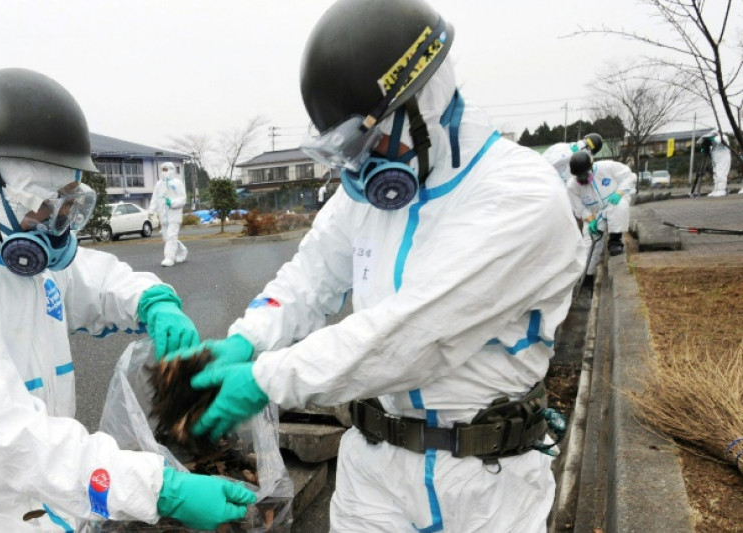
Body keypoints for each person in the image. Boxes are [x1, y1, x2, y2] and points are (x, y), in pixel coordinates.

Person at [167, 1, 585, 531]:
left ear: (422, 107)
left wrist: (266, 379)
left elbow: (413, 335)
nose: (360, 167)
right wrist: (249, 339)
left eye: (365, 142)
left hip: (486, 486)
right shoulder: (369, 195)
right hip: (374, 472)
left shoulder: (519, 196)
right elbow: (311, 275)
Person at [0, 68, 255, 532]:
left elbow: (91, 277)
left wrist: (151, 300)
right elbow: (14, 435)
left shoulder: (20, 251)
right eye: (40, 203)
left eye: (65, 202)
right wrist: (159, 488)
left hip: (41, 500)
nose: (52, 221)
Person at [566, 150, 636, 286]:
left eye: (585, 174)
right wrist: (590, 219)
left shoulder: (607, 167)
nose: (583, 179)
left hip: (613, 203)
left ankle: (615, 241)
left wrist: (620, 192)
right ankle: (586, 279)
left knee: (619, 206)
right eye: (579, 177)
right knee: (589, 245)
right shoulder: (572, 186)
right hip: (594, 215)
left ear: (591, 168)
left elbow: (630, 177)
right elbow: (579, 207)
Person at [149, 162, 188, 266]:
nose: (164, 172)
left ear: (171, 170)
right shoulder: (159, 184)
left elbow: (183, 199)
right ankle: (182, 250)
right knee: (167, 238)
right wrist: (151, 210)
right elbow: (155, 198)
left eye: (166, 169)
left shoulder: (177, 183)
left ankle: (169, 258)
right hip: (164, 217)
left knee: (171, 236)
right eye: (163, 170)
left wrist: (172, 203)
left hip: (174, 216)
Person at [697, 130, 732, 197]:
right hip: (716, 159)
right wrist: (705, 138)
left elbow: (718, 140)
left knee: (721, 173)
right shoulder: (713, 140)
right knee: (716, 173)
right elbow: (699, 141)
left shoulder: (723, 137)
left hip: (723, 158)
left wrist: (713, 137)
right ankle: (716, 189)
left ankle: (721, 190)